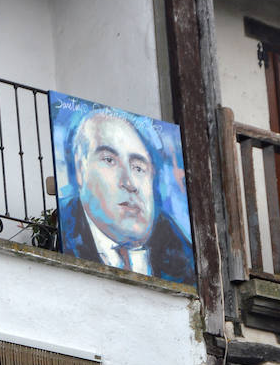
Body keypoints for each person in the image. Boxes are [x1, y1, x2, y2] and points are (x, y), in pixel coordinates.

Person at [60, 110, 195, 283]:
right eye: (109, 160)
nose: (129, 183)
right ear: (81, 169)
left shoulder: (183, 255)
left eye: (138, 168)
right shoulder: (64, 231)